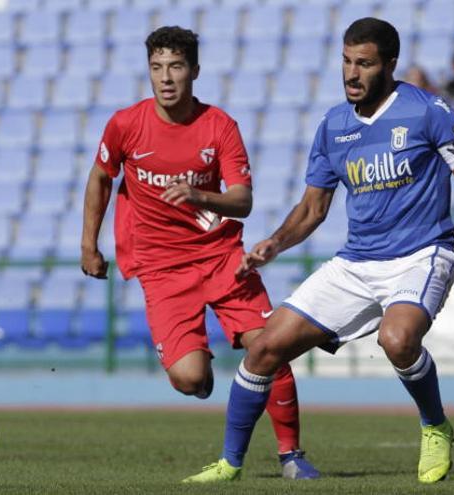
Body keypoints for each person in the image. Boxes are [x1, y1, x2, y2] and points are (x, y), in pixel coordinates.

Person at [183, 18, 454, 484]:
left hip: (421, 254)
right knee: (265, 349)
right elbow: (313, 208)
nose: (352, 73)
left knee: (396, 340)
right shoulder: (334, 125)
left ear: (390, 65)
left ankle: (435, 425)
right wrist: (274, 242)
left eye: (365, 64)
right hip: (356, 262)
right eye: (347, 61)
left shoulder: (429, 111)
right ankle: (230, 464)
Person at [79, 26, 319, 479]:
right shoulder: (126, 124)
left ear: (194, 71)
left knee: (271, 347)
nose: (165, 78)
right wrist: (88, 244)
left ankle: (292, 455)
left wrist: (199, 196)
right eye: (156, 68)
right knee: (190, 380)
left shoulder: (219, 126)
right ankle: (199, 369)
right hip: (161, 268)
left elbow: (243, 198)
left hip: (222, 257)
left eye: (175, 67)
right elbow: (100, 177)